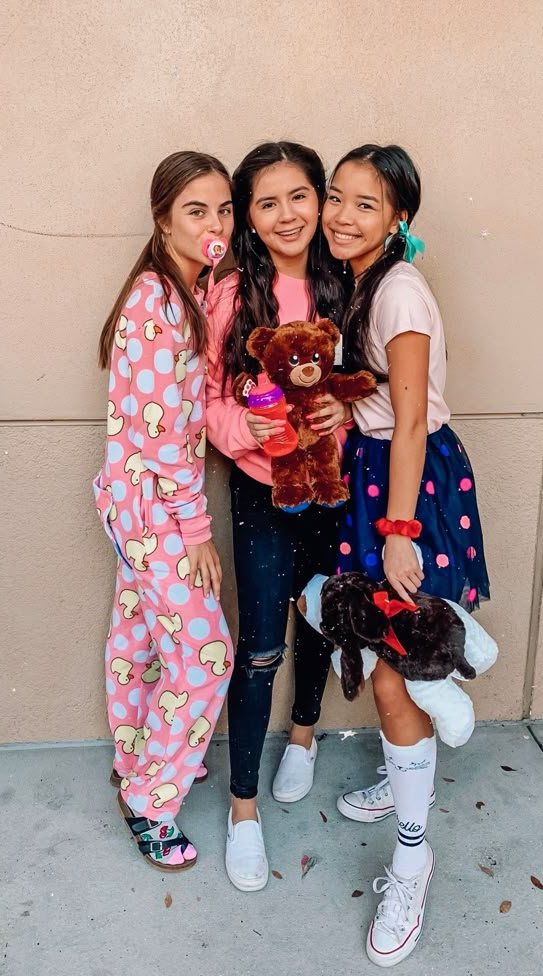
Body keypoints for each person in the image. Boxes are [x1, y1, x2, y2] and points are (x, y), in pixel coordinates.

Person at [322, 144, 490, 964]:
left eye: (365, 204)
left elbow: (413, 420)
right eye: (337, 197)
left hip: (408, 491)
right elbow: (375, 401)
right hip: (378, 475)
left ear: (399, 220)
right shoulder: (361, 282)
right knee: (389, 651)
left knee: (396, 663)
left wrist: (397, 533)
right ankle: (406, 763)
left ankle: (413, 865)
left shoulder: (401, 293)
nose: (342, 215)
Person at [205, 141, 350, 891]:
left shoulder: (345, 281)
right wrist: (242, 431)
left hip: (332, 485)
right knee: (261, 644)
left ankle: (304, 735)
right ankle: (242, 808)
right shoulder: (233, 293)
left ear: (320, 201)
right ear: (249, 218)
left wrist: (341, 413)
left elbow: (369, 384)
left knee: (322, 614)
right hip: (262, 491)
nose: (288, 214)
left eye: (300, 196)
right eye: (268, 202)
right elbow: (207, 398)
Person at [93, 151, 235, 871]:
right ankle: (152, 801)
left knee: (140, 638)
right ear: (163, 220)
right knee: (209, 658)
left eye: (223, 210)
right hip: (153, 510)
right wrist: (196, 530)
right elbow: (163, 435)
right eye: (196, 211)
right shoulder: (156, 302)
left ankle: (133, 761)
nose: (215, 224)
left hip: (133, 503)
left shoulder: (186, 292)